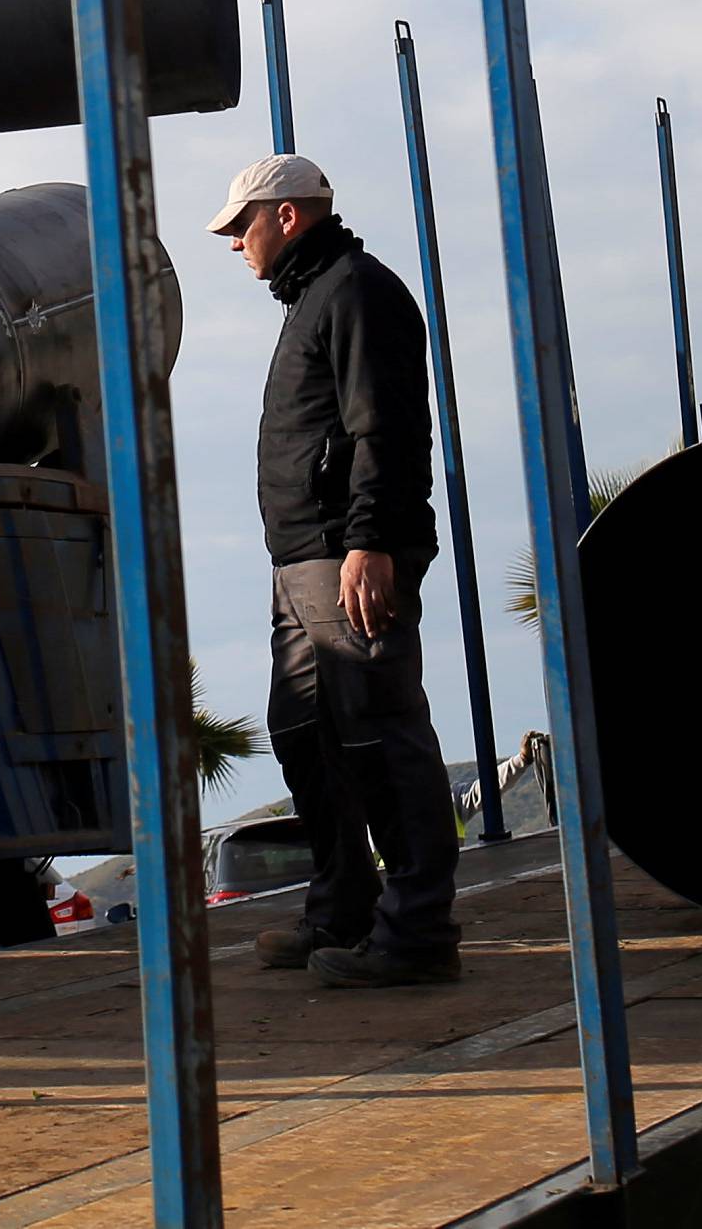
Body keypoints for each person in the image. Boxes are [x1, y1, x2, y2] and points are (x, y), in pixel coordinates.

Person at [209, 153, 463, 988]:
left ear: (287, 216)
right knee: (306, 734)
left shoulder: (354, 289)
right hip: (304, 558)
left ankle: (418, 932)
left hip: (343, 553)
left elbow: (382, 428)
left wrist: (371, 541)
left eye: (242, 225)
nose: (235, 244)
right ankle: (343, 910)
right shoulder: (316, 296)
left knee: (382, 731)